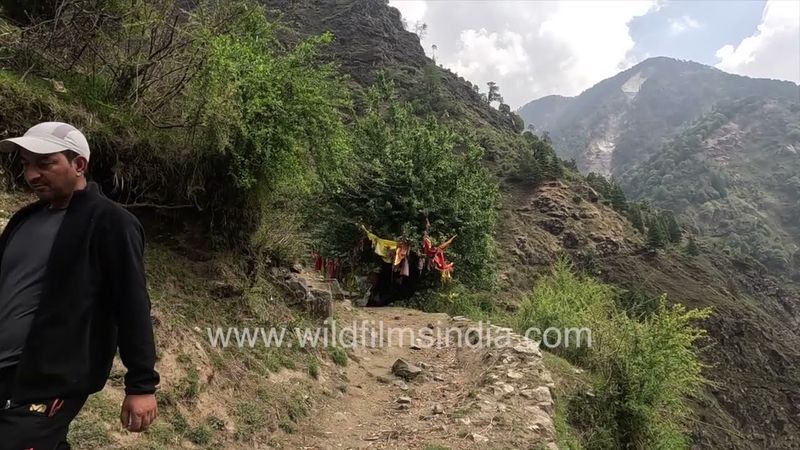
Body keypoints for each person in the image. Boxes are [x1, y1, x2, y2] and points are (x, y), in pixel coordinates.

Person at [0, 122, 160, 449]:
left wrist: (141, 385)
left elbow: (132, 304)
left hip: (48, 380)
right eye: (26, 164)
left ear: (78, 165)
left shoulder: (111, 222)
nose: (31, 175)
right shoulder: (24, 219)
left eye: (44, 163)